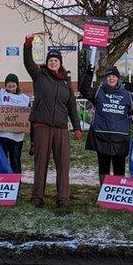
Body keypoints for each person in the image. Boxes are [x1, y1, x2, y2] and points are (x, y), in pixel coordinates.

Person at [23, 35, 82, 208]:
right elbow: (28, 62)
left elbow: (71, 106)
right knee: (41, 163)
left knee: (63, 164)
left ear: (60, 63)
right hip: (42, 126)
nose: (53, 63)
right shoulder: (39, 75)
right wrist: (28, 45)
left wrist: (77, 127)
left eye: (56, 60)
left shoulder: (65, 82)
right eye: (51, 60)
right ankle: (37, 197)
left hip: (61, 129)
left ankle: (63, 198)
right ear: (47, 62)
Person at [78, 65, 133, 184]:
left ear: (118, 78)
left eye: (114, 76)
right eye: (109, 76)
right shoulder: (98, 92)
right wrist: (89, 72)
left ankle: (117, 193)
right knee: (103, 167)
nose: (111, 78)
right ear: (105, 78)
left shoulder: (127, 95)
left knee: (119, 168)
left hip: (120, 137)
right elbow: (84, 90)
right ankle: (104, 192)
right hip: (102, 136)